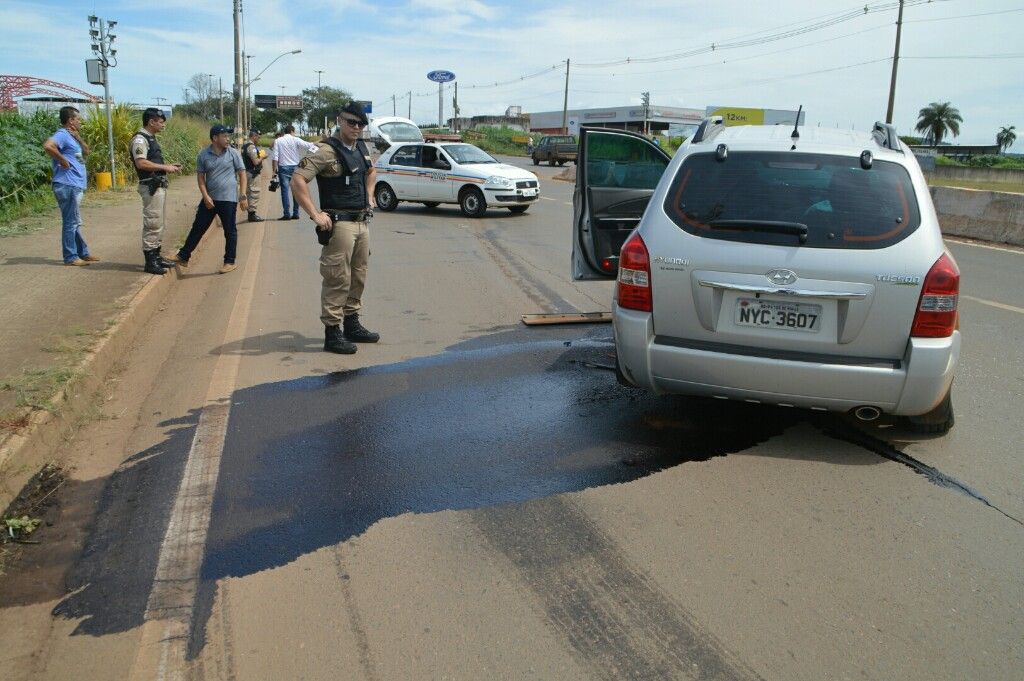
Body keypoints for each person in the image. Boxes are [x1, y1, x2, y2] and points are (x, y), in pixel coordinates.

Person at [291, 102, 379, 354]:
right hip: (339, 224)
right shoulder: (325, 150)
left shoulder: (361, 147)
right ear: (340, 120)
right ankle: (332, 333)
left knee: (358, 275)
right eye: (351, 122)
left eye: (361, 124)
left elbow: (371, 172)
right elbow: (298, 179)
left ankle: (352, 324)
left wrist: (370, 195)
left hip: (362, 222)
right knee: (337, 278)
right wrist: (315, 214)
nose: (356, 127)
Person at [166, 125, 247, 274]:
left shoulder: (233, 153)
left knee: (230, 230)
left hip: (228, 199)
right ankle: (183, 256)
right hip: (209, 199)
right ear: (215, 138)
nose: (228, 139)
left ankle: (229, 261)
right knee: (198, 227)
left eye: (228, 136)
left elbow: (242, 174)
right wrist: (205, 196)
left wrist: (242, 196)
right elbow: (201, 177)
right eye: (224, 136)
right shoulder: (203, 155)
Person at [130, 108, 182, 275]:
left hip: (157, 185)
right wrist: (165, 167)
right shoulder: (140, 139)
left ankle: (157, 257)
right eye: (160, 122)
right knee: (152, 223)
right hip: (150, 186)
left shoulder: (150, 138)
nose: (163, 125)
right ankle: (150, 261)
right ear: (151, 122)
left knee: (158, 223)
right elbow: (141, 163)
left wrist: (168, 167)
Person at [42, 106, 96, 267]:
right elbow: (48, 146)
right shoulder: (62, 134)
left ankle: (82, 252)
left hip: (74, 184)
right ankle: (71, 257)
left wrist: (79, 138)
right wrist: (62, 160)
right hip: (67, 184)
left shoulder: (72, 137)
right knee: (71, 222)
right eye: (78, 119)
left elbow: (86, 151)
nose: (80, 121)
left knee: (74, 221)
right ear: (70, 120)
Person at [271, 124, 319, 220]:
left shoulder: (278, 141)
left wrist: (274, 171)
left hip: (283, 168)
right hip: (295, 168)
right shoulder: (295, 139)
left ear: (285, 132)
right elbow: (309, 145)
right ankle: (296, 213)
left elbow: (275, 157)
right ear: (292, 131)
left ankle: (286, 214)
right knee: (296, 191)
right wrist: (320, 142)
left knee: (284, 191)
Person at [241, 129, 265, 222]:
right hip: (252, 173)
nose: (259, 138)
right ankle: (252, 214)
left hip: (247, 172)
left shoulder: (245, 145)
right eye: (258, 137)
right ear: (254, 136)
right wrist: (262, 157)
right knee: (254, 192)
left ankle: (251, 214)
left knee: (249, 192)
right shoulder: (251, 147)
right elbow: (255, 162)